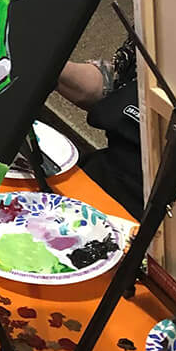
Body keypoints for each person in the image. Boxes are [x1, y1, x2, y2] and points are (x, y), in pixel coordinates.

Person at [57, 35, 141, 217]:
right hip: (102, 176)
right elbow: (115, 85)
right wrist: (47, 64)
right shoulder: (157, 20)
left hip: (166, 214)